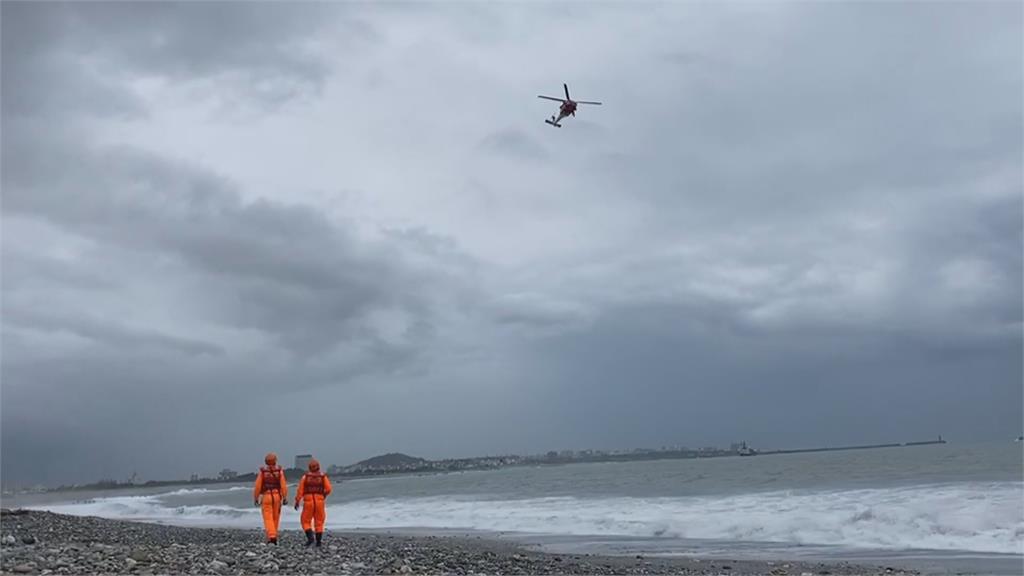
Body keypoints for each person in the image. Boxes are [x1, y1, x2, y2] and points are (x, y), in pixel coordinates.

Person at [293, 458, 332, 547]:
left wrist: (297, 501)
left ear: (309, 468)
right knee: (319, 521)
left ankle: (310, 538)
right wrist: (323, 495)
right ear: (318, 467)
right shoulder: (323, 477)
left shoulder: (305, 477)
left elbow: (300, 491)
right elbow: (329, 489)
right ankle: (318, 542)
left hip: (308, 501)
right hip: (319, 501)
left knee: (305, 521)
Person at [253, 452, 288, 544]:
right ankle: (273, 535)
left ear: (266, 462)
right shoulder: (279, 471)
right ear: (275, 461)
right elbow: (283, 485)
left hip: (266, 496)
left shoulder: (263, 472)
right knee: (276, 517)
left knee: (268, 518)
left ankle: (272, 537)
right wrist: (284, 497)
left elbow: (257, 486)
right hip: (277, 496)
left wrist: (256, 498)